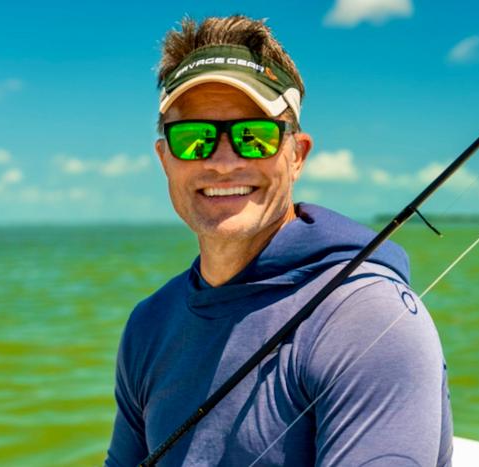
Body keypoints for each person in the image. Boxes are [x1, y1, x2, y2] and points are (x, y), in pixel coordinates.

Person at [106, 15, 453, 466]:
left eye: (254, 137)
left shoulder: (366, 317)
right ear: (164, 159)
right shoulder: (148, 324)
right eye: (193, 139)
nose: (223, 162)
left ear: (297, 155)